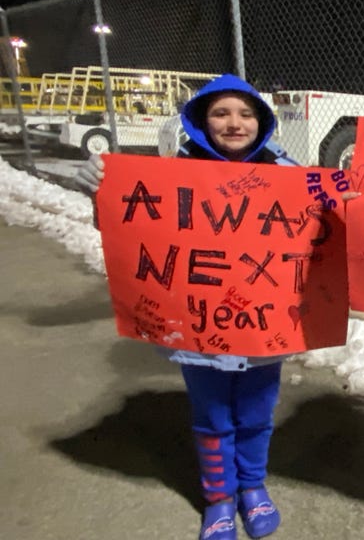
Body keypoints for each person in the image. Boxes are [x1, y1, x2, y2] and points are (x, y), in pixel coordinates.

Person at [76, 74, 299, 540]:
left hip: (264, 328)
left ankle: (253, 487)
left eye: (246, 113)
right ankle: (219, 496)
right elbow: (126, 227)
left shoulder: (290, 173)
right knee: (213, 416)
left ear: (263, 121)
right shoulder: (168, 175)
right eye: (220, 113)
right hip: (199, 332)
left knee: (258, 411)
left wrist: (347, 198)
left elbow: (331, 212)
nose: (234, 123)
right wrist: (101, 191)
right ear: (200, 121)